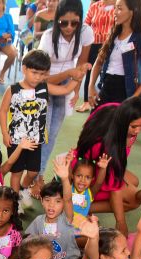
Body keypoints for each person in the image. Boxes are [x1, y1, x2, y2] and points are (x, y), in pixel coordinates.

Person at [0, 50, 78, 204]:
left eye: (42, 74)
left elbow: (65, 89)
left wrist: (77, 77)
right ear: (24, 69)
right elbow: (2, 111)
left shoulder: (44, 88)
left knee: (33, 172)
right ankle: (16, 204)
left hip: (36, 140)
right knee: (16, 172)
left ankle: (21, 191)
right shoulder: (13, 90)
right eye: (34, 72)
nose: (38, 77)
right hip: (16, 140)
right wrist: (5, 133)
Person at [72, 97, 141, 234]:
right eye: (133, 126)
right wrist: (121, 223)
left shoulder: (113, 106)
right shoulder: (107, 144)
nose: (138, 131)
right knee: (134, 201)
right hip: (89, 173)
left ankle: (82, 203)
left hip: (86, 163)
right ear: (123, 122)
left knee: (134, 181)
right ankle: (81, 207)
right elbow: (115, 188)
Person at [37, 0, 93, 174]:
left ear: (80, 20)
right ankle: (34, 176)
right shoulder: (47, 37)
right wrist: (70, 74)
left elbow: (82, 63)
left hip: (67, 82)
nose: (69, 27)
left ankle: (39, 174)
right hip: (45, 82)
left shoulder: (85, 32)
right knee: (41, 134)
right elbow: (41, 77)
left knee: (52, 135)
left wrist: (75, 91)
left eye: (74, 22)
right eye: (63, 23)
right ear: (56, 20)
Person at [88, 0, 141, 106]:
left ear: (133, 11)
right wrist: (91, 86)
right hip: (106, 86)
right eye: (115, 8)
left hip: (127, 92)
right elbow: (98, 62)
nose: (115, 12)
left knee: (118, 122)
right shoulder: (113, 34)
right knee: (95, 121)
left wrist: (135, 96)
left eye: (120, 8)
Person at [77, 0, 116, 112]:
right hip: (94, 44)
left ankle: (106, 103)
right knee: (89, 71)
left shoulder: (119, 5)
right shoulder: (95, 6)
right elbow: (86, 24)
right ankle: (86, 102)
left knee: (108, 74)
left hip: (111, 45)